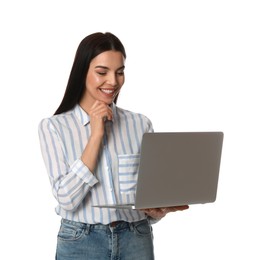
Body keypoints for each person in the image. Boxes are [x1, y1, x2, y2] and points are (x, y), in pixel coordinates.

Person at [38, 32, 189, 260]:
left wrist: (155, 211)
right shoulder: (54, 127)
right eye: (102, 72)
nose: (113, 81)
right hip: (80, 241)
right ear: (82, 73)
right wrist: (96, 135)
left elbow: (145, 196)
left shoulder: (140, 124)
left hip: (136, 237)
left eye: (120, 72)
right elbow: (67, 198)